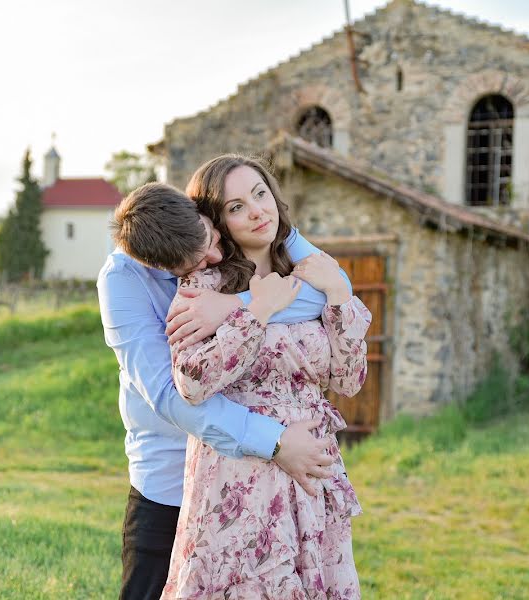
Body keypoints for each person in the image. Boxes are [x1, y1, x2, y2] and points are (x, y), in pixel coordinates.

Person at [97, 181, 354, 600]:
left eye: (212, 240)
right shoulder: (123, 281)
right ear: (160, 266)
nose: (216, 257)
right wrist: (275, 442)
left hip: (253, 482)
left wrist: (236, 305)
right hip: (168, 479)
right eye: (196, 263)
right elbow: (168, 395)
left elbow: (330, 286)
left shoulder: (225, 211)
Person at [161, 155, 370, 599]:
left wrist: (337, 293)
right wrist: (255, 313)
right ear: (218, 223)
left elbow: (349, 380)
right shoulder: (204, 286)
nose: (257, 211)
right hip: (243, 480)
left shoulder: (312, 276)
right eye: (236, 207)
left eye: (260, 194)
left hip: (313, 476)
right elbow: (192, 381)